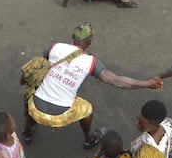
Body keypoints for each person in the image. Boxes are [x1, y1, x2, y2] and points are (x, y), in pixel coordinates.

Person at [22, 22, 162, 147]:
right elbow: (117, 81)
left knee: (36, 93)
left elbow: (40, 65)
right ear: (88, 43)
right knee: (87, 110)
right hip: (61, 115)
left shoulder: (55, 47)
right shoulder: (90, 61)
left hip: (35, 108)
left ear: (73, 37)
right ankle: (89, 138)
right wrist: (146, 83)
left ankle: (28, 132)